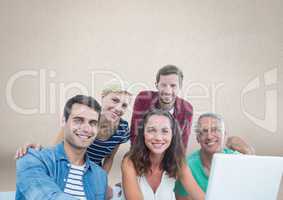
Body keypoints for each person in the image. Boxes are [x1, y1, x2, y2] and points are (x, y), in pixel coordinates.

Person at [16, 85, 132, 173]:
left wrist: (102, 181)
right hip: (68, 167)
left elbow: (109, 158)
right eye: (115, 100)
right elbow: (56, 147)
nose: (118, 108)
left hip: (92, 172)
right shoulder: (82, 116)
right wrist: (37, 151)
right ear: (103, 97)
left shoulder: (122, 129)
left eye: (124, 105)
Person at [16, 95, 108, 200]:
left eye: (93, 123)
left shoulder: (100, 176)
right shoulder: (32, 158)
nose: (86, 129)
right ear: (63, 121)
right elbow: (46, 197)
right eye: (78, 120)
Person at [122, 109, 205, 200]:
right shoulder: (129, 161)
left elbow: (200, 197)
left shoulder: (179, 162)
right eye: (151, 130)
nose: (158, 137)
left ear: (172, 134)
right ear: (143, 134)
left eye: (165, 131)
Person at [174, 113, 255, 200]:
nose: (209, 136)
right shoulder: (188, 166)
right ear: (198, 138)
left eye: (215, 130)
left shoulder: (238, 159)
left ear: (225, 134)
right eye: (204, 131)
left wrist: (249, 153)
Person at [130, 65, 193, 148]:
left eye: (173, 85)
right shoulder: (143, 98)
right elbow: (135, 135)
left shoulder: (187, 108)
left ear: (180, 87)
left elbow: (182, 145)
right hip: (142, 153)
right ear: (157, 85)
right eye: (163, 85)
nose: (167, 91)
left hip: (169, 156)